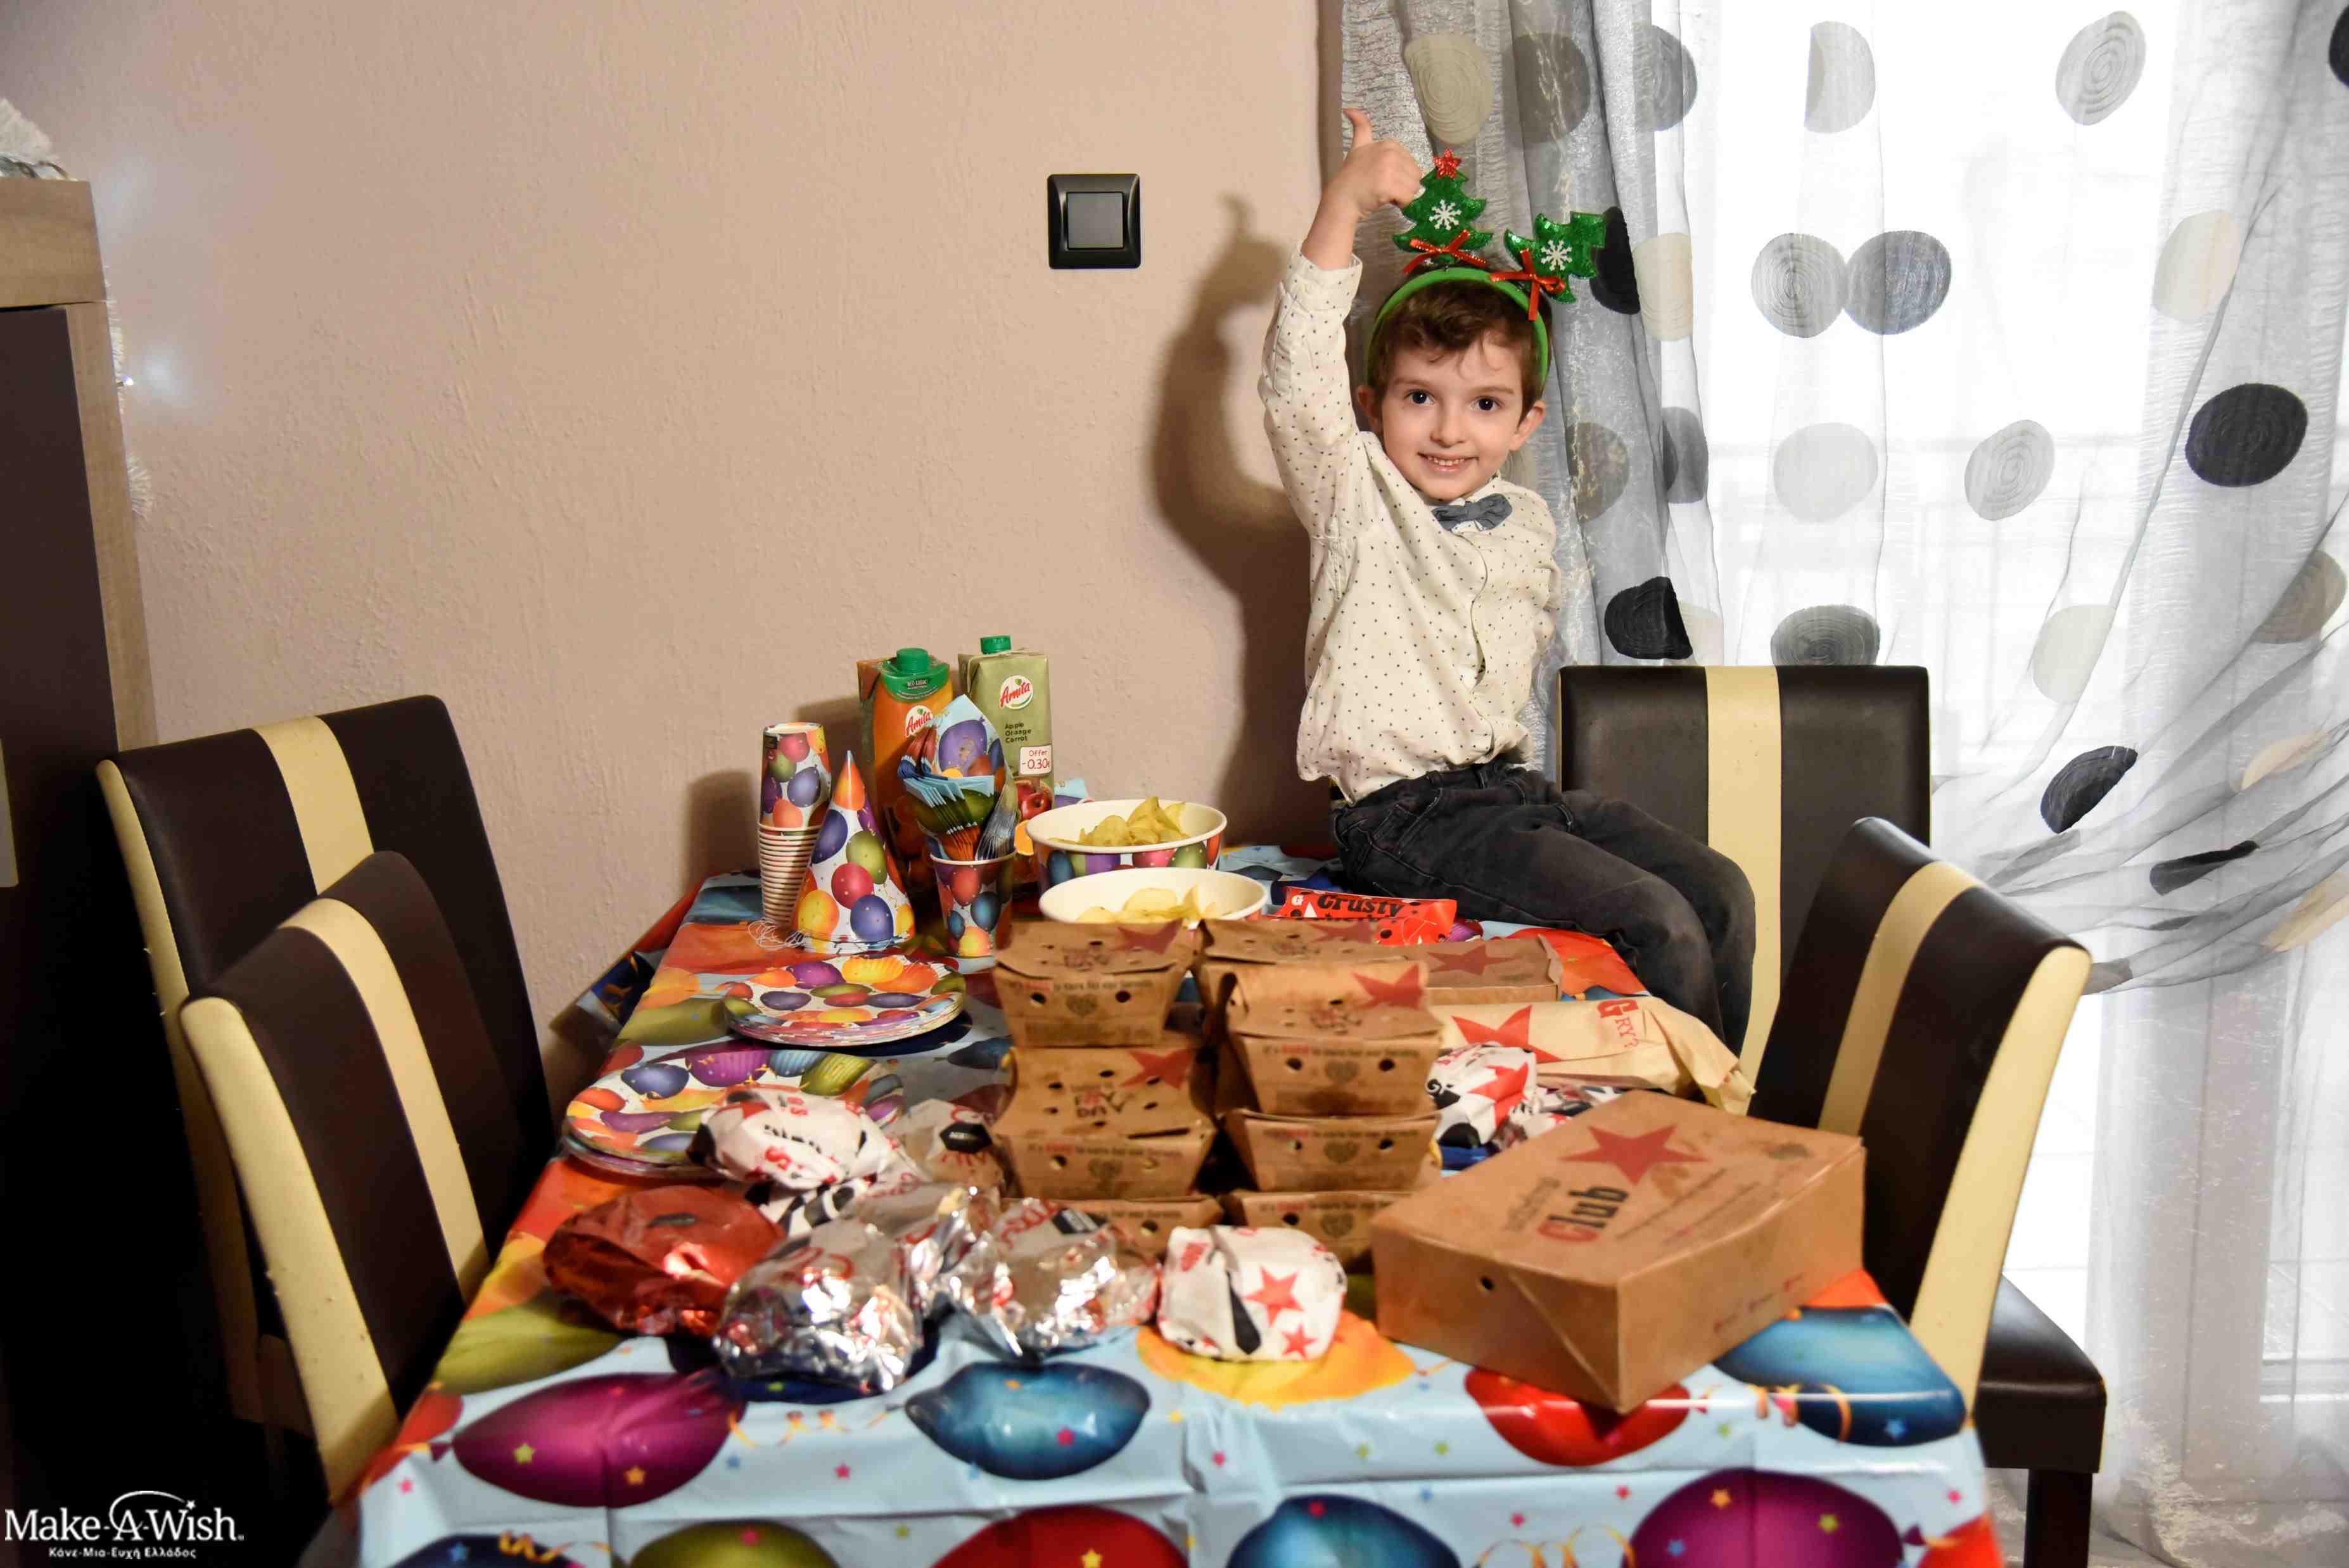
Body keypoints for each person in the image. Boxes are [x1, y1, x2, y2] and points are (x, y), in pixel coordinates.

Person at [1261, 108, 1756, 1045]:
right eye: (1420, 398)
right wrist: (1344, 204)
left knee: (1718, 889)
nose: (1450, 430)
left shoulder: (1526, 520)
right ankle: (1675, 1115)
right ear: (1372, 405)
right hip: (1405, 817)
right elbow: (1295, 379)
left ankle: (1718, 1101)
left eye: (1484, 404)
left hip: (1510, 792)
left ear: (1525, 422)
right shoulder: (1355, 496)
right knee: (1654, 921)